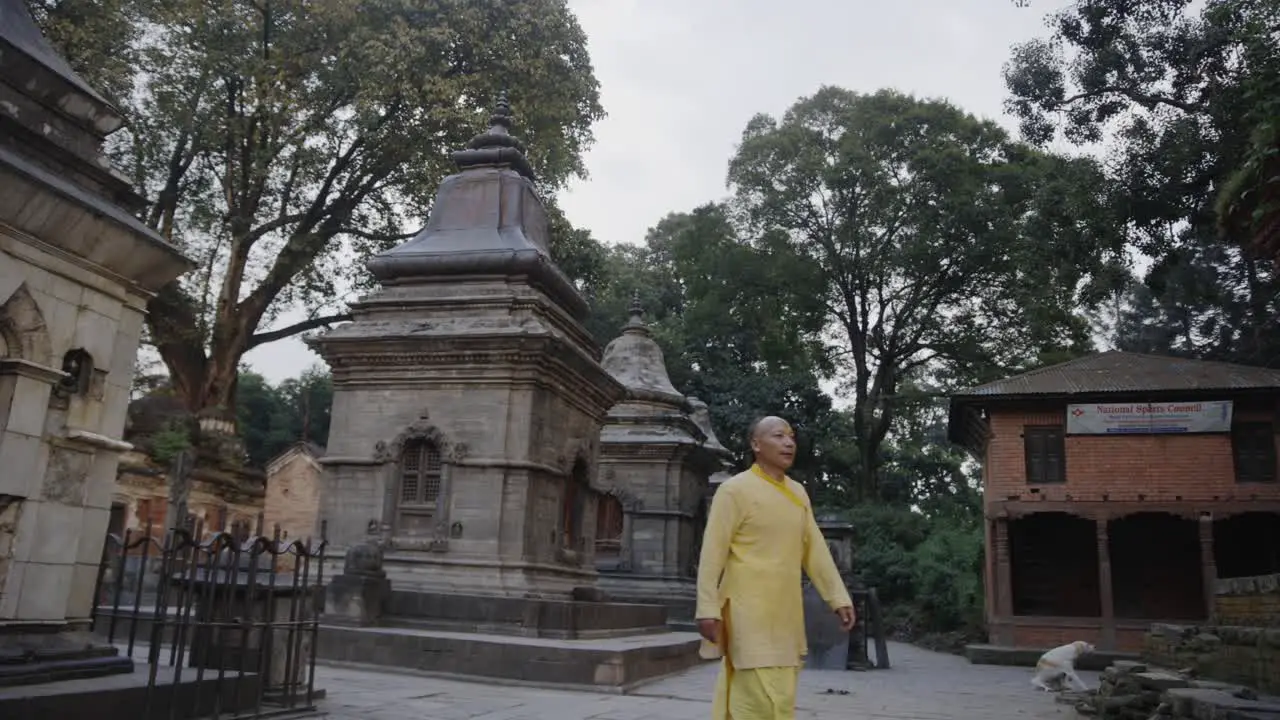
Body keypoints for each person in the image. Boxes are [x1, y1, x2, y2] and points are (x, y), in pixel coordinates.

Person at [695, 416, 855, 720]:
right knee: (759, 697)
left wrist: (838, 598)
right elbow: (712, 553)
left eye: (791, 436)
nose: (788, 442)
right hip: (747, 610)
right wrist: (707, 608)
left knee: (781, 695)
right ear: (756, 444)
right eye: (778, 435)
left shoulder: (798, 493)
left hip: (786, 614)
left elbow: (815, 550)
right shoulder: (734, 490)